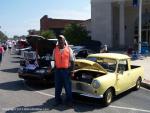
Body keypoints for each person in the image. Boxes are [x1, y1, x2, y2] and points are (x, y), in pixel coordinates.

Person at [52, 35, 75, 107]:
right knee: (57, 87)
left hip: (66, 71)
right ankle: (57, 100)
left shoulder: (69, 49)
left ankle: (69, 101)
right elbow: (53, 60)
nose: (60, 42)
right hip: (57, 71)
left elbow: (73, 61)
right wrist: (52, 68)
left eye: (61, 41)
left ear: (64, 41)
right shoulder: (55, 49)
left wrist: (72, 71)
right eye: (59, 41)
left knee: (68, 87)